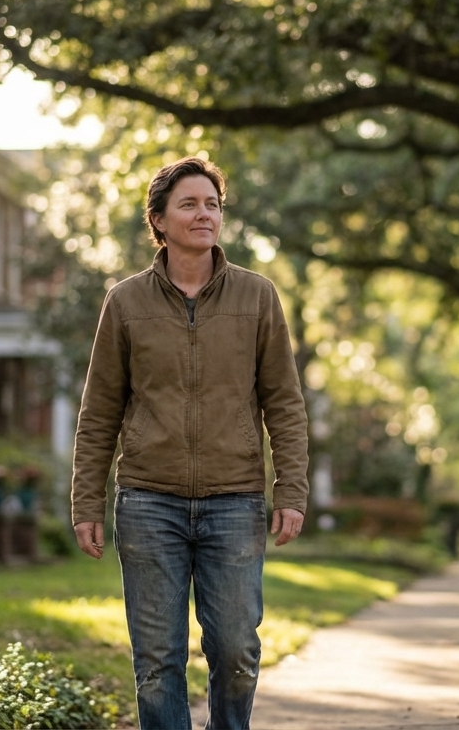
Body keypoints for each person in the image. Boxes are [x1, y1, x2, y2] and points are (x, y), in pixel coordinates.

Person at [71, 156, 309, 730]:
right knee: (157, 662)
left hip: (235, 501)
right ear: (158, 219)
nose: (205, 214)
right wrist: (85, 500)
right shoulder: (125, 303)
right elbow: (100, 409)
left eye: (212, 204)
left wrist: (292, 489)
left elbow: (284, 401)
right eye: (190, 204)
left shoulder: (258, 297)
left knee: (236, 654)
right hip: (149, 502)